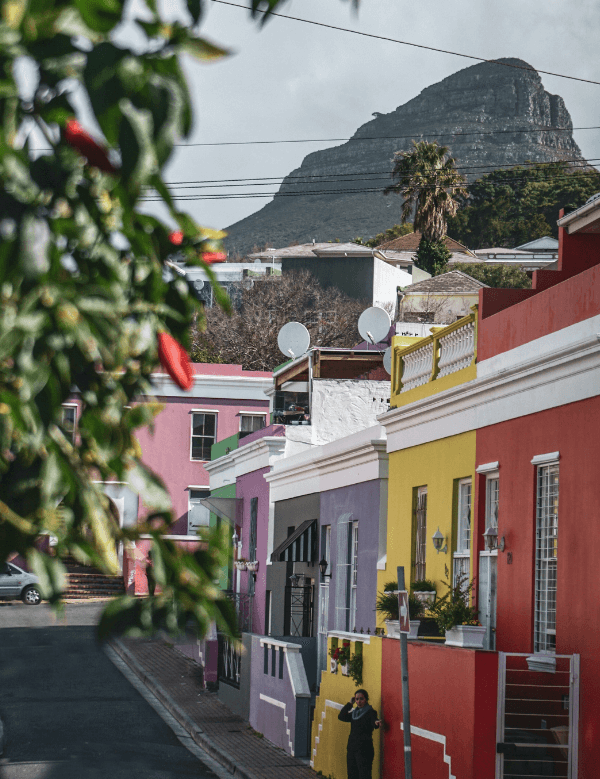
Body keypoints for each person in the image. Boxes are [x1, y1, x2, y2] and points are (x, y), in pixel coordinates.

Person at [338, 689, 382, 779]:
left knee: (364, 775)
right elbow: (341, 716)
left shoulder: (370, 712)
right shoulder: (354, 713)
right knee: (351, 775)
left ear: (366, 699)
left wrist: (376, 723)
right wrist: (350, 704)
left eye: (361, 699)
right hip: (352, 748)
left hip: (364, 749)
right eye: (357, 699)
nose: (359, 701)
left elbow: (374, 722)